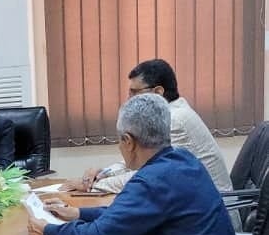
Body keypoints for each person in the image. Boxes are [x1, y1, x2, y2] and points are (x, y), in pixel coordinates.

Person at [28, 94, 239, 235]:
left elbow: (101, 233)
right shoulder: (182, 159)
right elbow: (126, 215)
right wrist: (78, 213)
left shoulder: (152, 180)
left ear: (128, 141)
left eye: (119, 141)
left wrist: (48, 230)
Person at [62, 59, 233, 197]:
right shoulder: (170, 113)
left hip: (212, 215)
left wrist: (94, 187)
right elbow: (141, 163)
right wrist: (103, 174)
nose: (129, 99)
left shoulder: (175, 121)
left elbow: (151, 175)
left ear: (158, 92)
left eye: (134, 93)